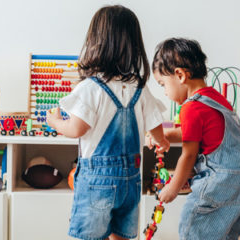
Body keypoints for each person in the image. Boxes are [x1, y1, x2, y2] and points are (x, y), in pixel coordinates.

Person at [46, 5, 169, 240]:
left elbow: (75, 129)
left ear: (95, 43)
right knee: (120, 235)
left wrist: (54, 122)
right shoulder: (140, 89)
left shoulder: (90, 88)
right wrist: (160, 141)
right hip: (131, 179)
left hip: (97, 181)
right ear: (134, 46)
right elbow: (156, 127)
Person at [150, 38, 240, 240]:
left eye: (163, 85)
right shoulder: (214, 98)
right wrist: (166, 135)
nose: (166, 93)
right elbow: (195, 132)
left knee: (192, 226)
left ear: (180, 75)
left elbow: (189, 154)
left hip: (225, 179)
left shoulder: (191, 107)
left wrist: (173, 188)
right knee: (223, 234)